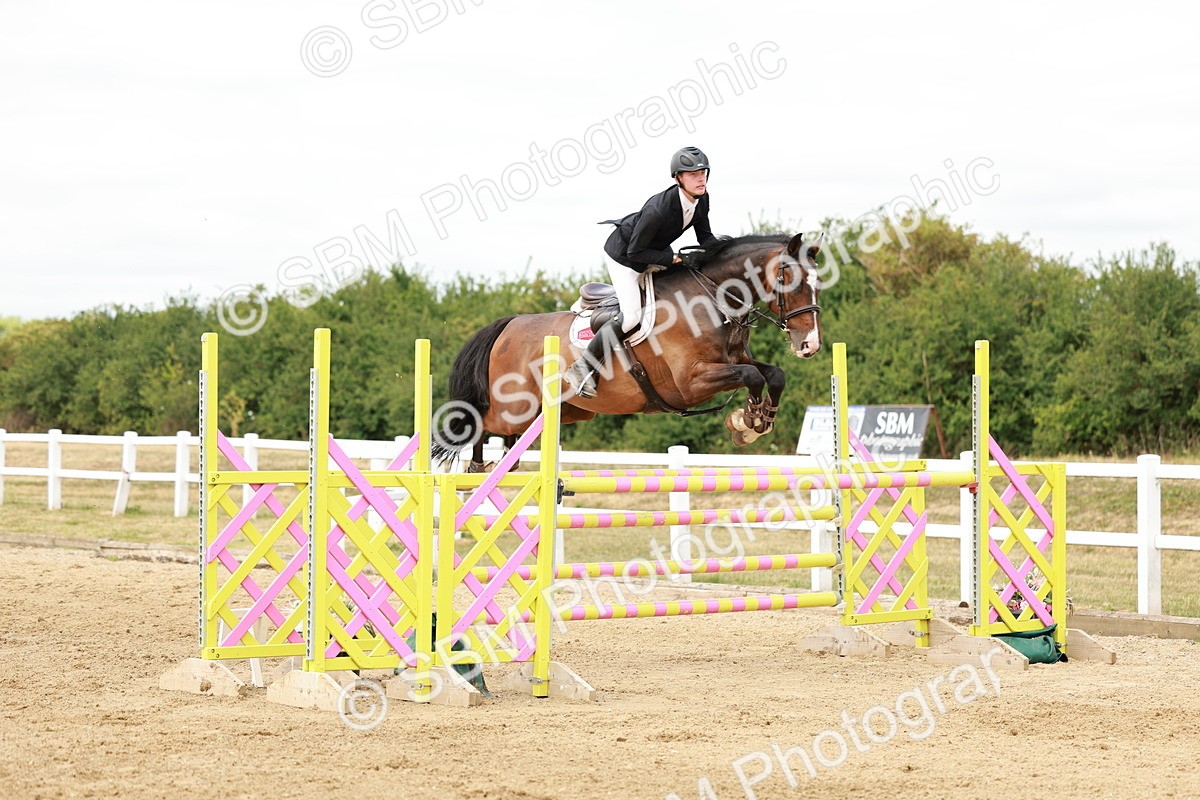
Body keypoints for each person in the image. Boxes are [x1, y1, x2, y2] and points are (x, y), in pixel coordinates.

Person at [564, 146, 723, 398]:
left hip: (654, 250)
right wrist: (676, 258)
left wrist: (728, 252)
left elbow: (706, 238)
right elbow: (635, 254)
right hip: (625, 256)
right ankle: (582, 366)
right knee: (630, 318)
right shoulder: (658, 209)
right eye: (693, 174)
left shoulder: (701, 199)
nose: (700, 178)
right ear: (678, 179)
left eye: (703, 172)